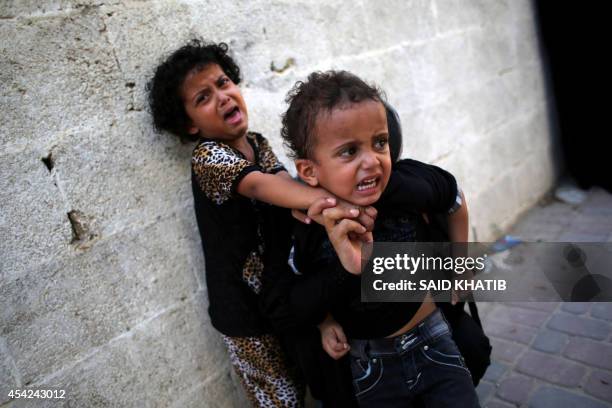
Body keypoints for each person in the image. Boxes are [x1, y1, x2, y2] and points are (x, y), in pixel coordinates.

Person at [147, 40, 462, 407]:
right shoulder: (208, 157)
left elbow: (289, 187)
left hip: (282, 285)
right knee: (278, 396)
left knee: (307, 373)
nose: (221, 97)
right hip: (245, 310)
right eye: (202, 97)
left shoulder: (258, 143)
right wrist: (338, 202)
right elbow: (264, 185)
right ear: (189, 125)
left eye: (223, 83)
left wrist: (313, 203)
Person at [278, 70, 480, 407]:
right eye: (348, 151)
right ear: (310, 171)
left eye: (380, 142)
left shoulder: (405, 185)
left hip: (434, 340)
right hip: (370, 364)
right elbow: (300, 289)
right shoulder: (309, 223)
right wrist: (325, 323)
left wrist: (460, 264)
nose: (372, 161)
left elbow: (454, 198)